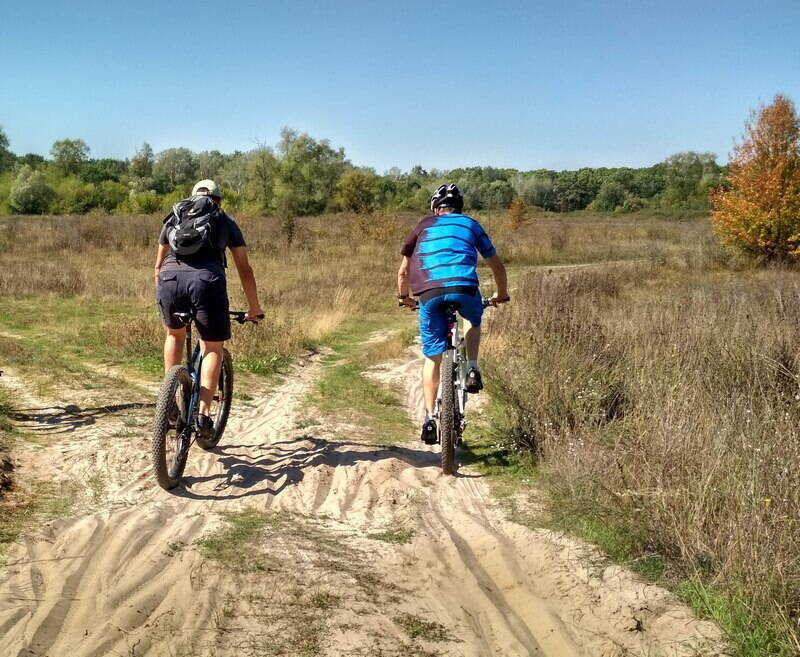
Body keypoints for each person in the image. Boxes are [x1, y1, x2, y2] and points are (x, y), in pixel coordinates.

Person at [397, 183, 509, 444]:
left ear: (436, 209)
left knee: (432, 358)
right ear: (459, 208)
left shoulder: (422, 226)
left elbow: (403, 272)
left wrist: (404, 298)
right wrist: (501, 294)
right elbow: (497, 266)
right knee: (472, 316)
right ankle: (472, 368)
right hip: (464, 287)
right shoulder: (471, 224)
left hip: (429, 293)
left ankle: (429, 418)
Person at [154, 179, 264, 439]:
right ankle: (203, 415)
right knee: (212, 346)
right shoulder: (224, 220)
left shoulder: (175, 216)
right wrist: (254, 307)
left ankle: (169, 400)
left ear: (191, 197)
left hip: (169, 280)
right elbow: (245, 269)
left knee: (174, 334)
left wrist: (164, 293)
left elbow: (158, 265)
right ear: (219, 201)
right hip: (206, 282)